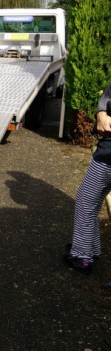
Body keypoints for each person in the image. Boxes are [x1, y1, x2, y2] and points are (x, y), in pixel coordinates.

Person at [66, 83, 111, 274]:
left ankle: (82, 256)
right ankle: (89, 249)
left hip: (108, 156)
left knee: (86, 200)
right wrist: (101, 112)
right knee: (92, 200)